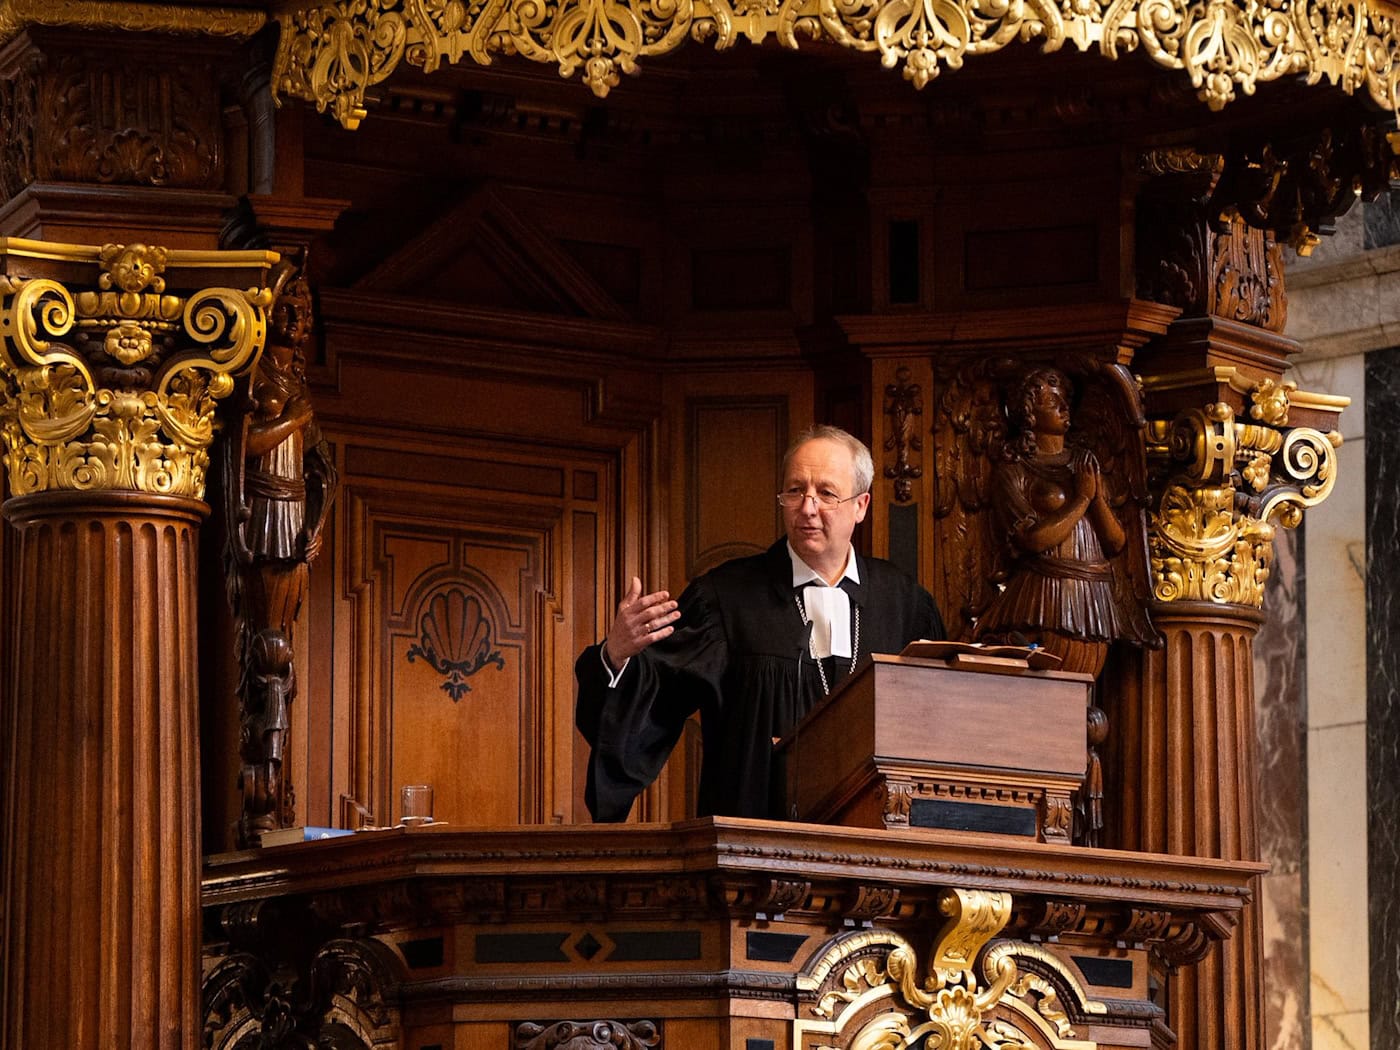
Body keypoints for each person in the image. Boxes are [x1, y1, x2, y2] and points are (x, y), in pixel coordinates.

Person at [575, 425, 945, 822]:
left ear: (861, 505)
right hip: (751, 849)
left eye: (826, 493)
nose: (807, 507)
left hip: (872, 848)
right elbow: (647, 708)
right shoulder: (725, 599)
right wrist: (615, 656)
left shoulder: (906, 605)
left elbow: (937, 736)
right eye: (795, 491)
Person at [973, 367, 1127, 678]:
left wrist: (1095, 499)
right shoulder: (1014, 470)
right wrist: (1081, 499)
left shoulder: (1085, 464)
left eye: (1064, 400)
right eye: (1051, 401)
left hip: (1090, 593)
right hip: (1044, 593)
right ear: (1028, 414)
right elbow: (1032, 539)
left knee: (1081, 690)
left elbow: (1115, 542)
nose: (1063, 407)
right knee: (1044, 690)